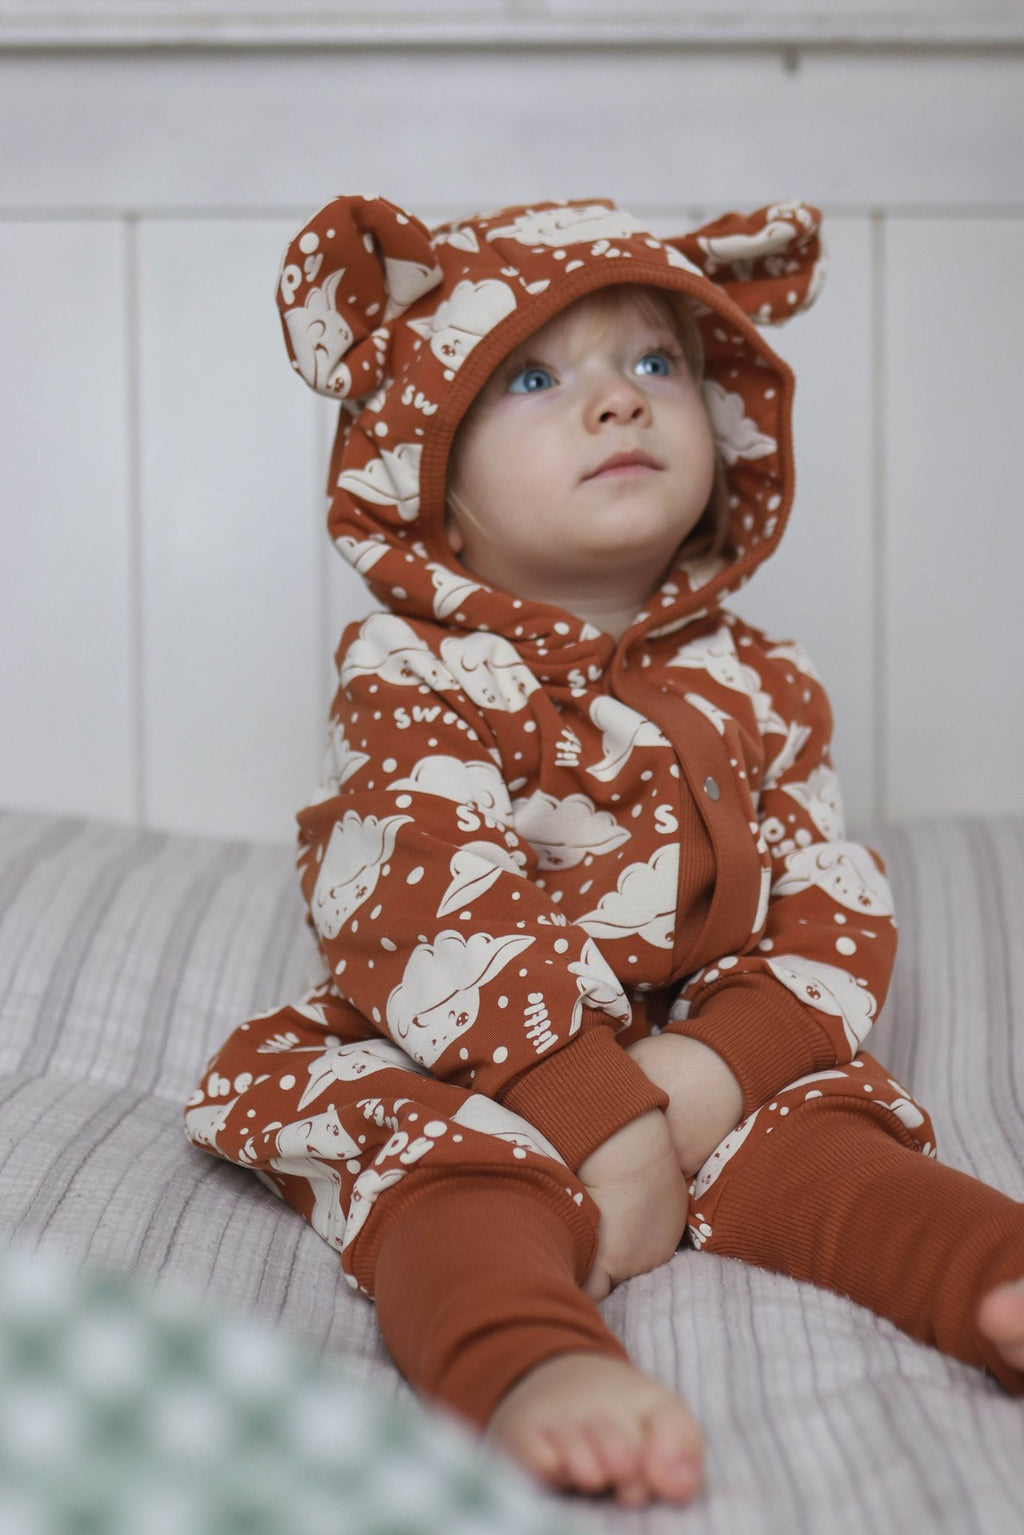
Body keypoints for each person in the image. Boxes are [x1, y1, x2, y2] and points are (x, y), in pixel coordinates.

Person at [185, 195, 1024, 1509]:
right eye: (533, 375)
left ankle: (990, 1275)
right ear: (430, 475)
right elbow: (424, 904)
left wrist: (700, 1077)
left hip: (709, 1042)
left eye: (656, 363)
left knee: (842, 1151)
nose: (621, 403)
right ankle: (524, 1362)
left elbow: (828, 907)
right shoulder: (412, 672)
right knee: (439, 1178)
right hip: (475, 1053)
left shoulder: (765, 680)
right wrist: (591, 1112)